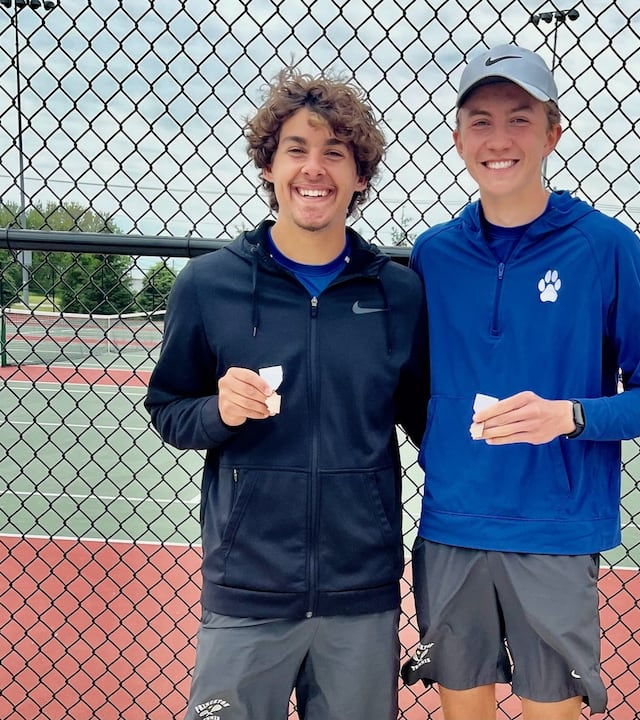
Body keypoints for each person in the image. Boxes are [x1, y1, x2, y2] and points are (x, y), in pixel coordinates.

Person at [401, 44, 640, 719]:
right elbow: (413, 388)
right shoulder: (433, 255)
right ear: (458, 137)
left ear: (554, 131)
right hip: (452, 527)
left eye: (520, 119)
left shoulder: (604, 247)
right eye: (481, 121)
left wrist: (571, 417)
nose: (499, 139)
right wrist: (445, 447)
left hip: (555, 532)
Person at [145, 67, 428, 720]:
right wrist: (217, 411)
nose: (315, 168)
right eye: (297, 149)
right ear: (269, 165)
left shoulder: (399, 295)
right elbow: (169, 409)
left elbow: (428, 423)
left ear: (360, 177)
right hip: (247, 589)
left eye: (336, 153)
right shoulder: (208, 285)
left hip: (361, 592)